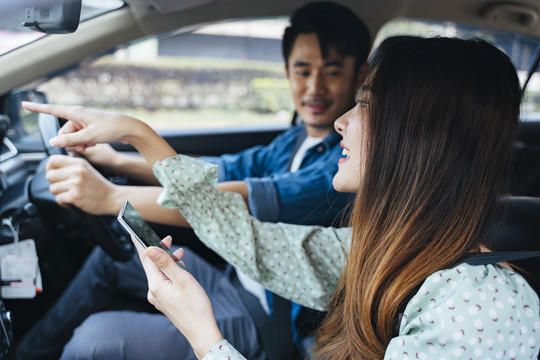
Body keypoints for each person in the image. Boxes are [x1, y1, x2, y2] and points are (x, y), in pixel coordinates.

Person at [24, 36, 540, 359]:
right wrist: (133, 139)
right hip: (239, 287)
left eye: (366, 104)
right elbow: (251, 234)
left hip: (258, 318)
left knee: (96, 339)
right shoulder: (382, 248)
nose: (341, 117)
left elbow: (245, 200)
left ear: (421, 135)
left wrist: (205, 336)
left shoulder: (480, 305)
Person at [14, 2, 371, 359]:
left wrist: (111, 195)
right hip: (233, 278)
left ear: (359, 76)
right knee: (115, 254)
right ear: (287, 72)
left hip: (264, 320)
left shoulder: (343, 169)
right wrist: (117, 158)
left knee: (95, 340)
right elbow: (219, 171)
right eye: (303, 70)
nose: (315, 87)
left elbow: (229, 202)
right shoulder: (292, 140)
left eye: (333, 72)